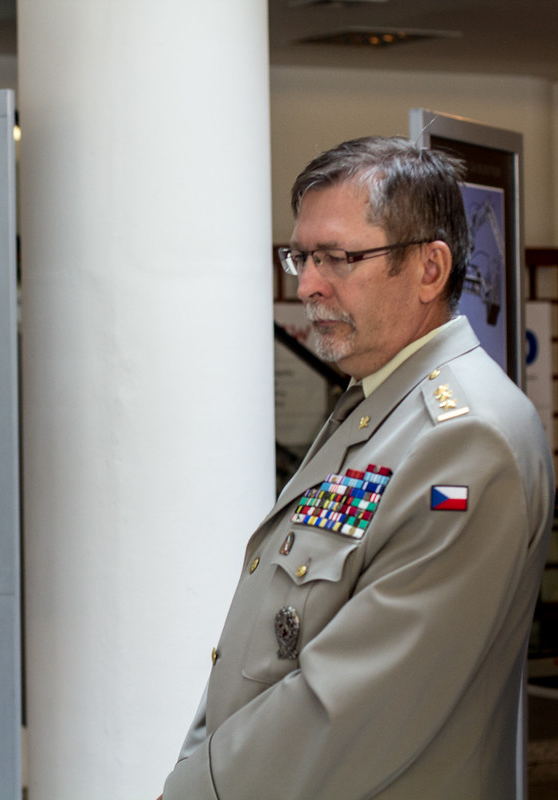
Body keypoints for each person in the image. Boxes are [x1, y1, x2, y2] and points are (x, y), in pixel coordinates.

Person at [161, 136, 555, 799]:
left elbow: (346, 708)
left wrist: (196, 792)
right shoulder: (377, 403)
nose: (307, 284)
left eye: (338, 257)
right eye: (302, 256)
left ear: (429, 269)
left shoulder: (465, 439)